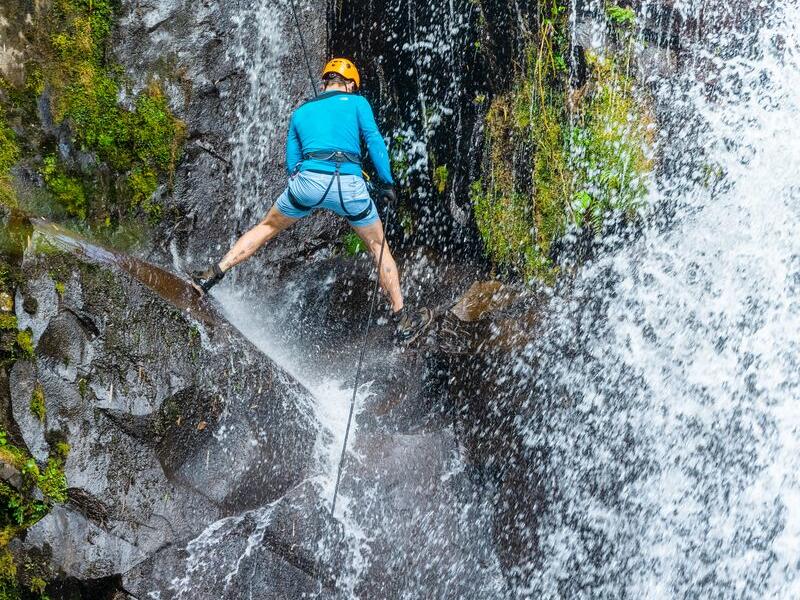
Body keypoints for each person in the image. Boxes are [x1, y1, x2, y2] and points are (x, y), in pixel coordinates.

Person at [189, 58, 432, 343]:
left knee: (266, 227)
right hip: (349, 186)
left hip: (308, 183)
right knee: (378, 246)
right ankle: (401, 319)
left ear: (325, 82)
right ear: (351, 84)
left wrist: (303, 187)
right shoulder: (357, 103)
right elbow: (375, 142)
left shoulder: (301, 112)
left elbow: (292, 162)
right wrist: (387, 182)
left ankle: (211, 275)